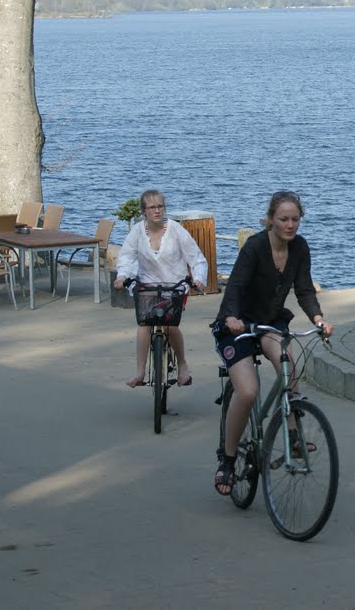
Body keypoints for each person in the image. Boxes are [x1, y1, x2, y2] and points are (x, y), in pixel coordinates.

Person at [211, 191, 334, 496]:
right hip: (237, 325)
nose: (290, 225)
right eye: (283, 219)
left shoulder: (300, 248)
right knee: (249, 391)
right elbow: (236, 286)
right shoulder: (255, 246)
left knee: (287, 366)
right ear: (270, 220)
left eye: (295, 219)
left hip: (269, 322)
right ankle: (227, 460)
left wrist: (318, 319)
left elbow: (304, 289)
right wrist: (230, 318)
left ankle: (293, 434)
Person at [114, 189, 207, 389]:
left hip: (174, 286)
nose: (157, 210)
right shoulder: (137, 232)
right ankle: (139, 372)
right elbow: (127, 257)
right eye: (152, 207)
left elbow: (196, 257)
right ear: (144, 211)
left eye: (160, 206)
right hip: (148, 286)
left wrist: (198, 279)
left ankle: (182, 365)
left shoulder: (176, 230)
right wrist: (122, 276)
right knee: (144, 325)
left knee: (171, 326)